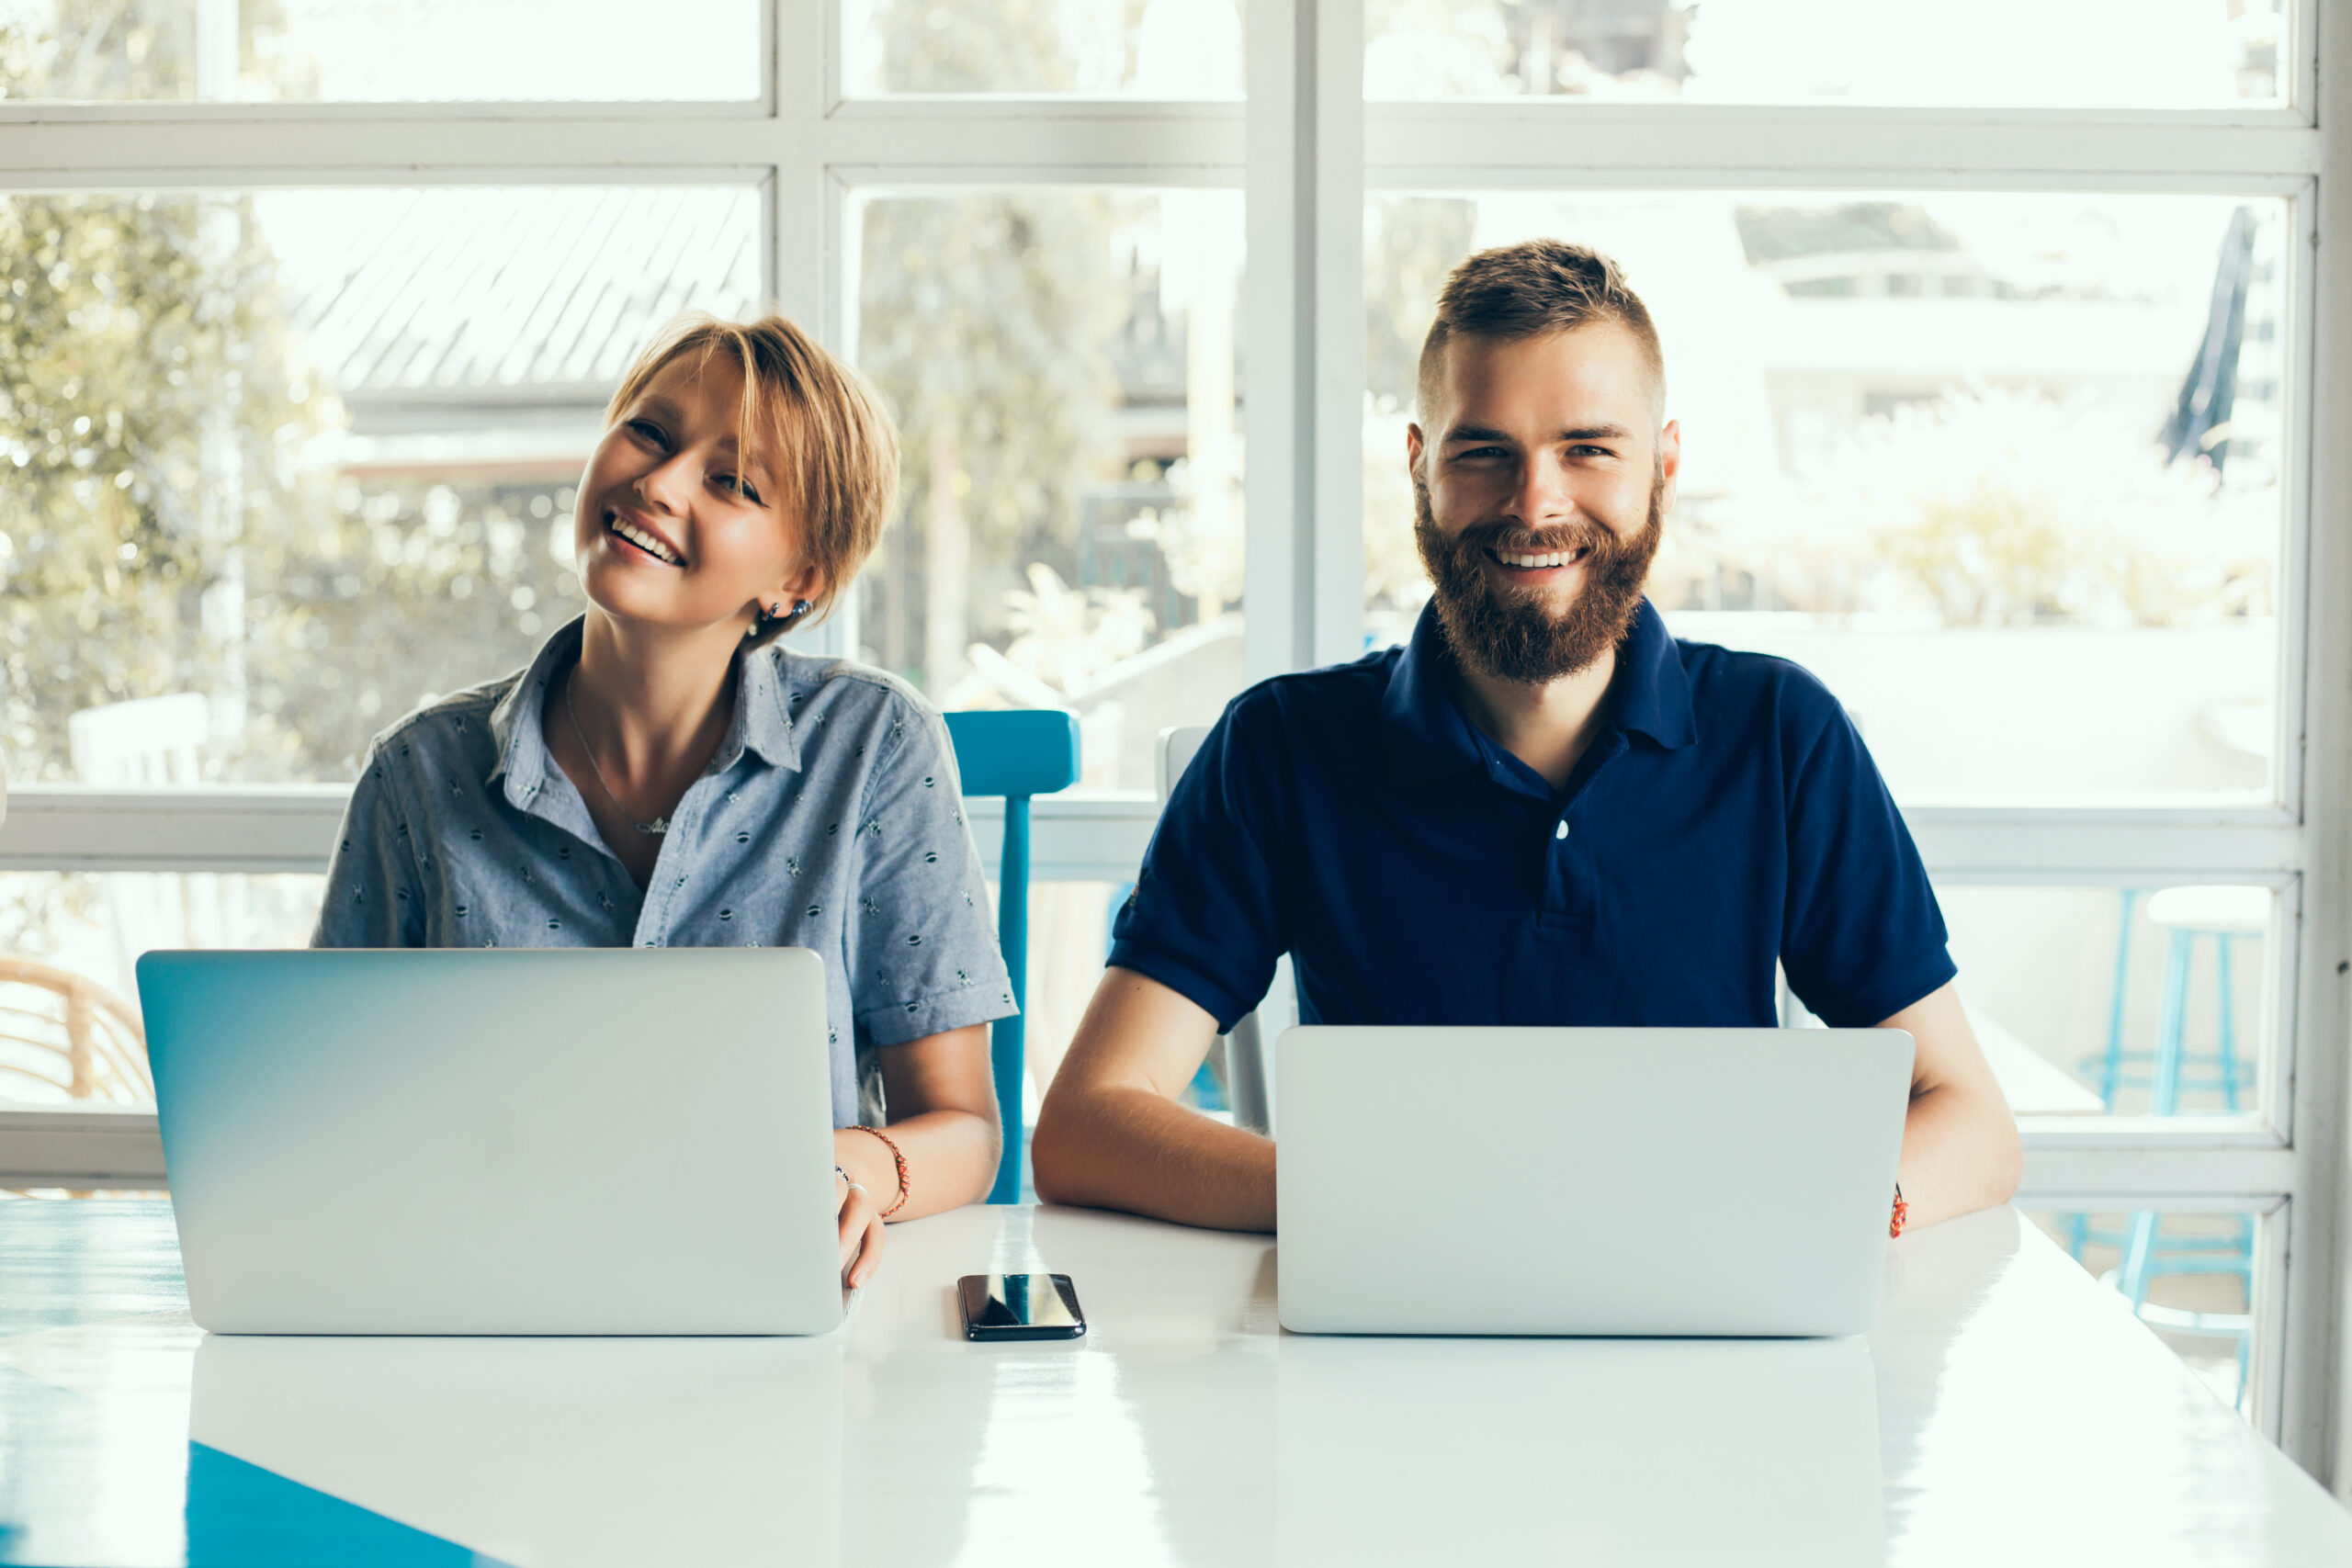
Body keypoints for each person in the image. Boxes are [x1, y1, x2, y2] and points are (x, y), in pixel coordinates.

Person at [1032, 240, 2022, 1235]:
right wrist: (1383, 1205)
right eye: (1483, 451)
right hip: (1389, 1333)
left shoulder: (1780, 734)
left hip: (1705, 1335)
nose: (1535, 501)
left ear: (1662, 467)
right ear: (1420, 466)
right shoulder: (1282, 747)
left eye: (1587, 448)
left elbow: (1970, 1122)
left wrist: (1827, 1211)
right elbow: (1086, 1126)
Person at [314, 312, 1012, 1286]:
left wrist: (844, 1170)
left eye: (731, 481)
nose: (658, 481)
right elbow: (333, 1111)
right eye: (649, 432)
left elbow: (967, 1132)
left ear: (796, 580)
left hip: (768, 1294)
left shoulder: (877, 747)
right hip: (486, 1298)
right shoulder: (417, 777)